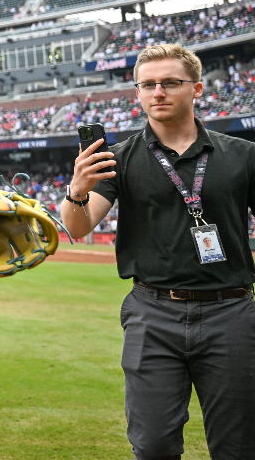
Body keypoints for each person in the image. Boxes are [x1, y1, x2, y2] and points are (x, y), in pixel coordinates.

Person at [62, 43, 255, 459]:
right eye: (147, 85)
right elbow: (79, 225)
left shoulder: (242, 155)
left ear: (197, 88)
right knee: (152, 447)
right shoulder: (118, 158)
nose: (158, 92)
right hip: (153, 312)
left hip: (232, 313)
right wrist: (76, 190)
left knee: (238, 447)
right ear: (137, 94)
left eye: (170, 82)